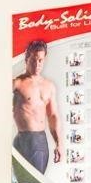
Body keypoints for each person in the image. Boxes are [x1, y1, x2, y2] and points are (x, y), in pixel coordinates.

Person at [12, 39, 60, 173]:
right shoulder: (17, 83)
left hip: (38, 142)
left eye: (40, 60)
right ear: (26, 59)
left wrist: (59, 144)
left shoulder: (49, 86)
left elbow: (53, 116)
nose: (37, 64)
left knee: (35, 182)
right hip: (20, 140)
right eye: (33, 59)